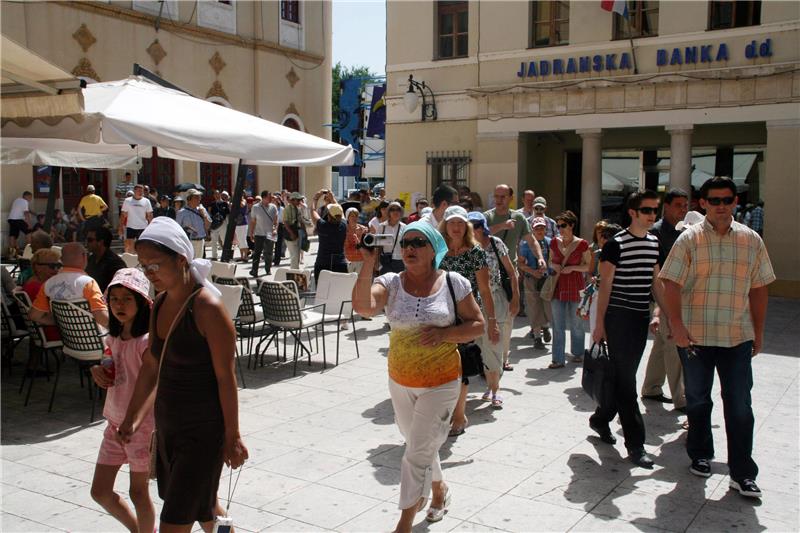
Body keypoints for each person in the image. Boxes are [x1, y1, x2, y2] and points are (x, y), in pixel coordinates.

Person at [117, 217, 248, 529]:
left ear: (180, 259)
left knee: (175, 519)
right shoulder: (159, 304)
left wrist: (233, 435)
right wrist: (132, 416)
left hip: (201, 433)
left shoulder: (207, 308)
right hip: (168, 429)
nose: (149, 274)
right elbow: (152, 364)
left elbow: (225, 377)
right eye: (143, 266)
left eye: (155, 265)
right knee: (204, 509)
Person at [352, 221, 483, 531]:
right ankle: (439, 490)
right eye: (405, 243)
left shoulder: (454, 283)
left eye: (417, 242)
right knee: (418, 444)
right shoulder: (391, 282)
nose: (409, 248)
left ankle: (404, 522)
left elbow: (477, 324)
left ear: (433, 249)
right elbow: (364, 308)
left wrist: (445, 334)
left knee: (415, 454)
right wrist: (368, 263)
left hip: (442, 382)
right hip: (400, 380)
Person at [659, 177, 775, 498]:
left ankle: (742, 473)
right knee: (697, 400)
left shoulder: (751, 240)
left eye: (727, 200)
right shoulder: (689, 240)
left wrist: (759, 332)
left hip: (736, 337)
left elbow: (759, 288)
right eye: (715, 200)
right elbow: (671, 283)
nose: (722, 206)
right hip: (695, 338)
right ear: (704, 204)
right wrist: (677, 325)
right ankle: (700, 453)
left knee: (739, 405)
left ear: (735, 202)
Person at [591, 190, 665, 469]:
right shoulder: (615, 244)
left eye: (654, 211)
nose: (651, 216)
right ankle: (636, 445)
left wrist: (668, 316)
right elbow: (605, 286)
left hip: (638, 319)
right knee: (627, 383)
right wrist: (599, 325)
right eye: (646, 210)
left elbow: (656, 282)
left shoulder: (654, 243)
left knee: (625, 377)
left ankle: (600, 418)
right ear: (632, 212)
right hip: (617, 317)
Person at [89, 268, 156, 533]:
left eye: (127, 298)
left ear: (141, 302)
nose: (119, 304)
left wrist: (134, 421)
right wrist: (97, 370)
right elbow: (110, 366)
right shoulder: (112, 338)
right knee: (100, 491)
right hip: (114, 422)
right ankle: (139, 529)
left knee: (139, 492)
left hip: (141, 426)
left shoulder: (146, 342)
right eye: (114, 298)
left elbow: (153, 382)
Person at [439, 206, 498, 436]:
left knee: (460, 366)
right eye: (452, 223)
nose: (456, 227)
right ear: (445, 225)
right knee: (443, 366)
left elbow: (484, 289)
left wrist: (491, 321)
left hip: (466, 318)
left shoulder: (475, 252)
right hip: (441, 315)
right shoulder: (438, 251)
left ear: (466, 227)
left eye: (460, 223)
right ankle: (448, 412)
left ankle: (459, 416)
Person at [484, 184, 545, 370]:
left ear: (510, 197)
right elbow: (480, 236)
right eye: (496, 196)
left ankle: (503, 358)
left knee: (509, 316)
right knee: (488, 315)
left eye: (503, 196)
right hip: (487, 273)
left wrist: (540, 257)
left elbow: (531, 240)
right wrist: (502, 226)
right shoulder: (487, 217)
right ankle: (487, 356)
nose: (499, 199)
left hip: (509, 273)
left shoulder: (518, 218)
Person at [641, 189, 689, 410]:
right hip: (661, 298)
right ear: (666, 206)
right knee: (674, 346)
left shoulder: (685, 232)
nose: (683, 209)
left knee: (661, 345)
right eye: (678, 205)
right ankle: (681, 399)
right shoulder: (657, 233)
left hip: (674, 296)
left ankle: (651, 388)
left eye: (685, 205)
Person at [469, 212, 519, 407]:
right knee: (480, 345)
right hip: (473, 300)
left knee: (493, 342)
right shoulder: (466, 248)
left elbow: (511, 272)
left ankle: (494, 390)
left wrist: (515, 298)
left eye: (472, 225)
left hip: (496, 298)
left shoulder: (496, 243)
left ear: (481, 227)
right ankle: (491, 385)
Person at [30, 242, 109, 328]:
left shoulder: (47, 284)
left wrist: (61, 322)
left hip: (67, 339)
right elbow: (102, 319)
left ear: (62, 259)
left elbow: (34, 316)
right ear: (84, 256)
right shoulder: (88, 283)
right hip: (93, 339)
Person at [548, 210, 590, 368]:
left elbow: (588, 266)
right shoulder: (553, 242)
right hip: (557, 287)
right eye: (558, 226)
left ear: (572, 225)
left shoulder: (582, 244)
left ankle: (578, 353)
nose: (560, 229)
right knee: (557, 326)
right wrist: (554, 266)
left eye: (563, 225)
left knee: (577, 324)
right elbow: (550, 261)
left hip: (576, 287)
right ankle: (557, 359)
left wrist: (572, 268)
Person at [519, 217, 553, 350]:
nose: (540, 230)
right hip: (531, 279)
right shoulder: (525, 245)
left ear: (546, 229)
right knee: (534, 308)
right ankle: (537, 337)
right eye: (537, 228)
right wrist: (533, 272)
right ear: (532, 230)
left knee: (547, 306)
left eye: (542, 227)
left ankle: (545, 327)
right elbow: (520, 263)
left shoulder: (550, 243)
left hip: (546, 279)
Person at [22, 248, 62, 344]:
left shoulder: (31, 282)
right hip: (50, 331)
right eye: (52, 266)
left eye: (58, 266)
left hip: (39, 331)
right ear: (38, 267)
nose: (56, 269)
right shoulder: (39, 287)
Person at [310, 193, 348, 283]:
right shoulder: (343, 225)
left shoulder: (323, 226)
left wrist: (316, 198)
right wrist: (333, 198)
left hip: (323, 263)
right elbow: (341, 211)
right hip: (340, 263)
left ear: (328, 216)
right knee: (339, 294)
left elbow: (312, 211)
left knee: (322, 294)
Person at [86, 226, 126, 292]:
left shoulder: (115, 263)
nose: (86, 243)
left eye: (90, 240)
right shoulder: (90, 259)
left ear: (100, 242)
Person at [248, 191, 278, 277]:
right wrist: (251, 232)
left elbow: (276, 221)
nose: (271, 199)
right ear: (264, 197)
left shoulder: (273, 207)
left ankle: (268, 269)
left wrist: (275, 229)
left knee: (269, 253)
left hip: (270, 234)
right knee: (257, 253)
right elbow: (253, 221)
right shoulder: (255, 207)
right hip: (259, 234)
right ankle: (254, 270)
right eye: (270, 197)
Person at [175, 189, 211, 259]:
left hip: (200, 241)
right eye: (196, 197)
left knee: (199, 263)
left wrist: (204, 215)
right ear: (189, 199)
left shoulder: (202, 210)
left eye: (199, 197)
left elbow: (208, 226)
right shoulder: (182, 212)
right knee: (189, 262)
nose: (199, 199)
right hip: (189, 241)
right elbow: (177, 229)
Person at [120, 184, 153, 254]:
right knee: (130, 247)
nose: (141, 192)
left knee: (142, 247)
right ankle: (131, 263)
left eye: (142, 191)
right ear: (134, 191)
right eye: (139, 191)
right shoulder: (127, 201)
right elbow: (123, 215)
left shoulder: (146, 201)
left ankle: (142, 263)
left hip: (143, 227)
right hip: (130, 226)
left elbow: (150, 215)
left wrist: (151, 227)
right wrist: (120, 227)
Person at [378, 202, 406, 274]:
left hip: (400, 261)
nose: (395, 212)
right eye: (392, 210)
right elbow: (378, 247)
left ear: (401, 212)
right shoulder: (382, 226)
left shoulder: (405, 227)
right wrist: (376, 263)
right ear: (389, 212)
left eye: (398, 210)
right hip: (385, 261)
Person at [7, 191, 32, 258]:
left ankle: (12, 253)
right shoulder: (25, 201)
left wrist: (34, 213)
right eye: (30, 198)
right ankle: (28, 251)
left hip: (11, 219)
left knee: (13, 235)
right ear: (27, 196)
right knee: (29, 232)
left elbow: (27, 210)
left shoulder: (17, 200)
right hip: (18, 219)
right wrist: (29, 224)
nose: (30, 200)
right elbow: (26, 213)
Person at [283, 192, 304, 269]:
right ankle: (293, 272)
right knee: (294, 256)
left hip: (297, 232)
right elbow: (285, 222)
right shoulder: (287, 209)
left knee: (297, 255)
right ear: (292, 200)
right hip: (290, 234)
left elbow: (300, 221)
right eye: (297, 200)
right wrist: (291, 233)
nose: (299, 202)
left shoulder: (297, 209)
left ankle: (296, 271)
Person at [344, 207, 368, 274]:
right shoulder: (343, 229)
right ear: (347, 217)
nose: (354, 218)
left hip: (361, 260)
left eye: (356, 216)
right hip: (348, 261)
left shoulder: (363, 229)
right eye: (352, 216)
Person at [209, 191, 231, 261]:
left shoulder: (224, 203)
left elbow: (228, 214)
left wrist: (228, 224)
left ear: (220, 194)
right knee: (214, 241)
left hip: (223, 223)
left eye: (217, 194)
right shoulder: (212, 204)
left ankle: (225, 256)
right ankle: (214, 256)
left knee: (224, 240)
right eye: (215, 194)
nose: (216, 195)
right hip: (214, 224)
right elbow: (209, 213)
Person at [232, 197, 251, 262]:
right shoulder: (236, 201)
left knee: (243, 239)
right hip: (237, 223)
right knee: (239, 240)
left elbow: (242, 204)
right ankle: (241, 256)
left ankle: (245, 256)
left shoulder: (243, 201)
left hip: (243, 223)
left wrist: (236, 201)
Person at [272, 193, 286, 267]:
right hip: (271, 226)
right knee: (271, 243)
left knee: (278, 244)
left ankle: (277, 260)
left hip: (280, 226)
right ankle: (271, 258)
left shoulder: (282, 209)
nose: (274, 201)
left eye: (275, 200)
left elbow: (283, 218)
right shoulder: (270, 208)